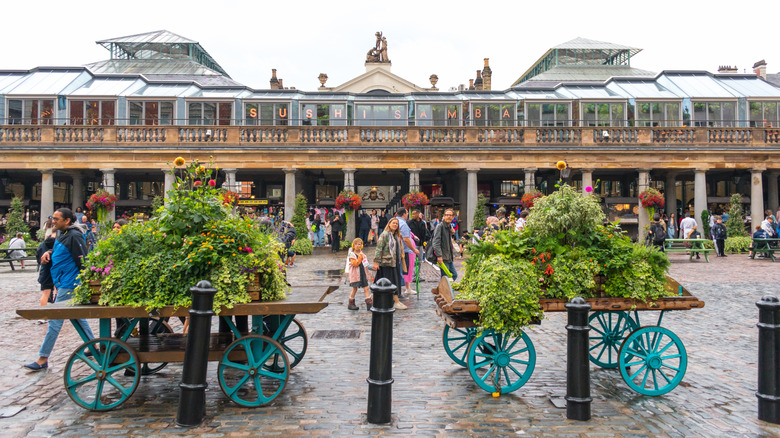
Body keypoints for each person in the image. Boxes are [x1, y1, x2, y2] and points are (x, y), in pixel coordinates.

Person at [24, 208, 95, 371]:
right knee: (77, 318)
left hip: (70, 284)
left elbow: (82, 260)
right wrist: (49, 252)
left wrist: (85, 282)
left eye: (56, 219)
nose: (53, 221)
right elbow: (62, 252)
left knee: (55, 320)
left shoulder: (74, 235)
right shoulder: (62, 235)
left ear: (67, 221)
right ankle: (94, 347)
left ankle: (43, 358)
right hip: (63, 282)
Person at [372, 218, 407, 310]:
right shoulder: (385, 234)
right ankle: (396, 301)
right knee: (390, 282)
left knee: (386, 281)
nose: (395, 225)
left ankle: (373, 299)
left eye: (396, 223)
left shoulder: (396, 235)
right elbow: (379, 248)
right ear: (389, 223)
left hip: (394, 262)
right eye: (393, 223)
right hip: (386, 263)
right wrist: (376, 262)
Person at [396, 208, 420, 298]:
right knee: (406, 270)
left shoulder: (396, 222)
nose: (408, 214)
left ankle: (405, 288)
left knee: (403, 270)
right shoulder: (402, 223)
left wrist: (413, 236)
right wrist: (414, 249)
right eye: (407, 213)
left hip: (403, 250)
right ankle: (405, 289)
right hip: (406, 250)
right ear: (404, 214)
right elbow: (406, 239)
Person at [430, 208, 458, 282]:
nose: (448, 217)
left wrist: (451, 233)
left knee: (453, 275)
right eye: (446, 215)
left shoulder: (449, 227)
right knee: (446, 277)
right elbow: (436, 242)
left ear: (453, 217)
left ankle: (443, 290)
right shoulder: (440, 226)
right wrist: (439, 255)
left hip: (449, 256)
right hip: (443, 256)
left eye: (450, 215)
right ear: (444, 216)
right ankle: (444, 291)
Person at [346, 238, 372, 311]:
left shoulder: (363, 254)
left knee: (366, 288)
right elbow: (355, 264)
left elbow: (366, 264)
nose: (358, 246)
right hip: (355, 274)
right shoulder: (352, 254)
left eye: (359, 244)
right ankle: (351, 303)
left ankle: (369, 304)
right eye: (356, 244)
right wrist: (360, 257)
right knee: (355, 288)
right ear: (353, 245)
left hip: (363, 273)